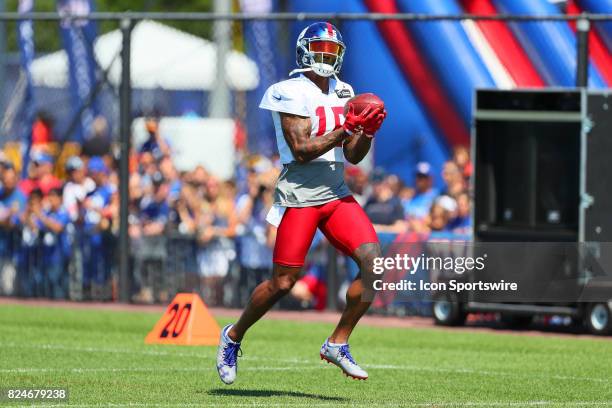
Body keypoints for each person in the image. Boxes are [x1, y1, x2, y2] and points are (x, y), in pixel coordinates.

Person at [216, 22, 387, 384]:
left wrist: (366, 132)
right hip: (301, 194)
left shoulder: (344, 90)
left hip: (336, 191)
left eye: (331, 51)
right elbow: (302, 149)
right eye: (319, 50)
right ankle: (233, 335)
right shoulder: (287, 90)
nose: (326, 57)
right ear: (304, 51)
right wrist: (346, 127)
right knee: (283, 283)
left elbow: (353, 156)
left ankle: (338, 343)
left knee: (374, 263)